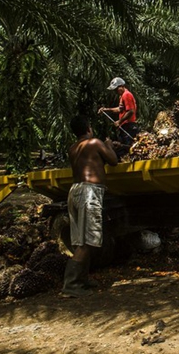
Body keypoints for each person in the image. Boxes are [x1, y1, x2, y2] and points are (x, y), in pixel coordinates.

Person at [62, 115, 118, 297]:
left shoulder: (73, 148)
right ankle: (71, 284)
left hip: (75, 191)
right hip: (89, 192)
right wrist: (108, 144)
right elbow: (113, 160)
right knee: (88, 242)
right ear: (88, 128)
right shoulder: (94, 142)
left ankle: (82, 280)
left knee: (80, 240)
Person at [98, 77, 140, 149]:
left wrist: (119, 121)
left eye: (116, 89)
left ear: (122, 86)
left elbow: (131, 111)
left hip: (129, 126)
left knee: (129, 148)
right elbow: (119, 110)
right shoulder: (122, 96)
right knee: (123, 146)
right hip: (125, 126)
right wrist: (106, 110)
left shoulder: (126, 95)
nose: (115, 91)